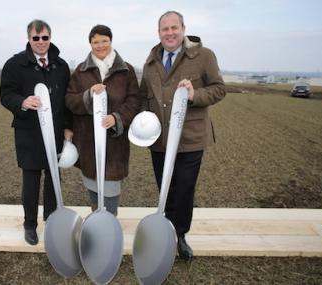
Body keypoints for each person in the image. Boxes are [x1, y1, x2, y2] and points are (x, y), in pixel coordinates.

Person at [139, 11, 226, 260]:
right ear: (159, 33)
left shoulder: (203, 56)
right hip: (160, 140)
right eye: (164, 29)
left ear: (183, 28)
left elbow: (219, 89)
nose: (170, 33)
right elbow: (143, 96)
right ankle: (164, 231)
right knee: (165, 187)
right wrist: (142, 120)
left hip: (191, 138)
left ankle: (180, 236)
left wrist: (194, 95)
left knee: (185, 189)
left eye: (174, 27)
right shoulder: (151, 61)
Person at [0, 19, 72, 245]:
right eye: (36, 38)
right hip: (29, 133)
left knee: (53, 180)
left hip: (57, 132)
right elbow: (5, 95)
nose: (41, 42)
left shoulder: (61, 66)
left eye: (45, 38)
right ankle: (30, 224)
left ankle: (51, 219)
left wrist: (68, 128)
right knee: (31, 181)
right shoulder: (15, 64)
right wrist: (22, 101)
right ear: (29, 39)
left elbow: (67, 100)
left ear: (50, 38)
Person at [65, 25, 142, 216]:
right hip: (88, 142)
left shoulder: (126, 71)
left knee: (110, 188)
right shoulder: (80, 72)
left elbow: (134, 100)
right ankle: (97, 220)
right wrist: (88, 94)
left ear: (111, 41)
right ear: (90, 44)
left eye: (104, 41)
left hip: (115, 143)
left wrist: (117, 118)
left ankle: (109, 223)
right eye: (95, 42)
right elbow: (69, 99)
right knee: (92, 184)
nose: (100, 45)